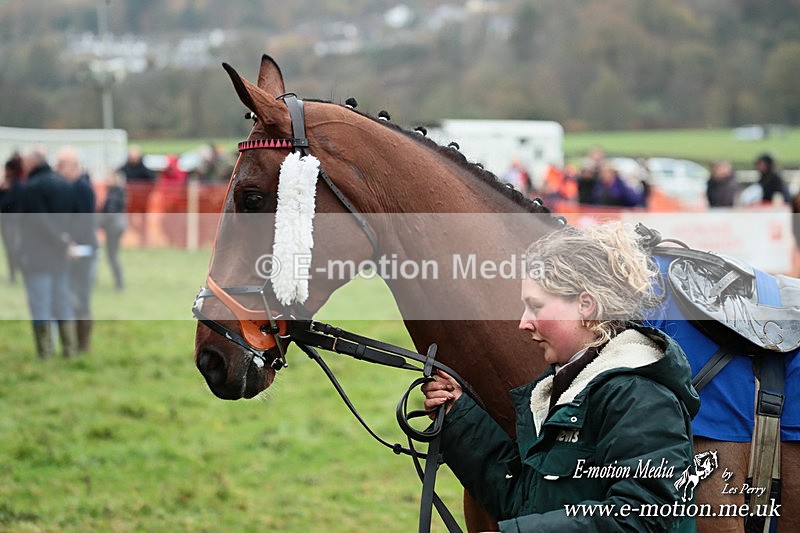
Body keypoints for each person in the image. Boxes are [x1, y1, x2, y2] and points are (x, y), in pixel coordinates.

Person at [421, 222, 699, 531]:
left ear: (585, 305)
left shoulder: (641, 396)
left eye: (535, 307)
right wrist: (459, 416)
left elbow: (641, 517)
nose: (523, 323)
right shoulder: (566, 388)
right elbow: (523, 503)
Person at [18, 147, 79, 359]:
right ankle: (70, 349)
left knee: (40, 305)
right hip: (60, 256)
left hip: (38, 257)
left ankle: (45, 352)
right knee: (62, 303)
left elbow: (39, 221)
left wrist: (60, 241)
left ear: (33, 163)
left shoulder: (32, 187)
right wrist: (66, 242)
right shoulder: (65, 184)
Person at [55, 147, 98, 353]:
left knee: (80, 297)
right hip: (75, 248)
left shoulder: (82, 188)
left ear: (71, 166)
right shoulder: (73, 186)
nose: (57, 169)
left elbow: (83, 220)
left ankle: (82, 345)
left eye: (60, 165)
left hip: (82, 250)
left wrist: (69, 241)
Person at [100, 171, 127, 291]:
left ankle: (119, 283)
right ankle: (119, 283)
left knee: (112, 255)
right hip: (116, 226)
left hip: (113, 227)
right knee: (112, 255)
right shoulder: (117, 192)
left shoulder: (114, 194)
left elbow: (110, 212)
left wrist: (98, 223)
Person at [1, 152, 24, 283]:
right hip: (10, 221)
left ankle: (15, 272)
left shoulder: (14, 186)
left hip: (11, 221)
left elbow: (6, 203)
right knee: (11, 248)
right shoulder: (14, 184)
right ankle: (13, 273)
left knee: (12, 248)